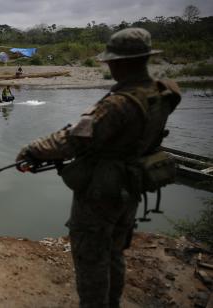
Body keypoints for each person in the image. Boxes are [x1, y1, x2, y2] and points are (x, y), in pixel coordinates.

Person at [15, 28, 180, 307]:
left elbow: (72, 140)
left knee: (91, 257)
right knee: (115, 251)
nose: (110, 67)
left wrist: (32, 149)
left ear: (122, 62)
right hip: (132, 183)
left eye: (112, 62)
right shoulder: (162, 93)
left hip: (102, 190)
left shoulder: (118, 104)